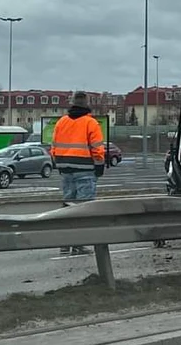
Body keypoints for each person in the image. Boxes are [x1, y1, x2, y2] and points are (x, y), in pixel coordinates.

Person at [51, 90, 106, 256]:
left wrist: (58, 163)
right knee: (84, 209)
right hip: (85, 170)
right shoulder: (90, 123)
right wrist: (99, 165)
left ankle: (64, 243)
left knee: (68, 207)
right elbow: (97, 148)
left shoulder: (61, 122)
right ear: (86, 103)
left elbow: (53, 147)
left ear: (72, 103)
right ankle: (79, 243)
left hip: (65, 170)